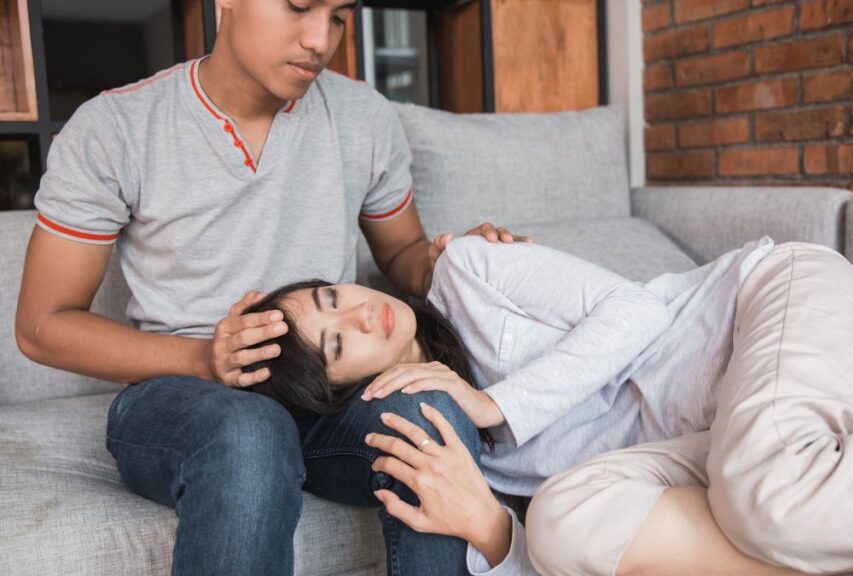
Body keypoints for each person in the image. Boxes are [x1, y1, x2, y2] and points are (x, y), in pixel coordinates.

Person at [13, 1, 528, 574]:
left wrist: (460, 261)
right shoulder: (115, 128)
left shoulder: (363, 115)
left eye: (337, 16)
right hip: (184, 393)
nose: (319, 38)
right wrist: (206, 358)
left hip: (329, 390)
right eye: (300, 7)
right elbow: (43, 325)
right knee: (250, 429)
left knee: (432, 410)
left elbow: (403, 257)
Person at [247, 234, 853, 575]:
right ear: (352, 393)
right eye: (340, 344)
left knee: (767, 488)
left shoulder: (470, 271)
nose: (358, 312)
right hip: (746, 440)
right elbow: (588, 559)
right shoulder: (455, 439)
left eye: (331, 296)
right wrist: (488, 523)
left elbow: (637, 313)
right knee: (561, 525)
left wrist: (493, 402)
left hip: (777, 306)